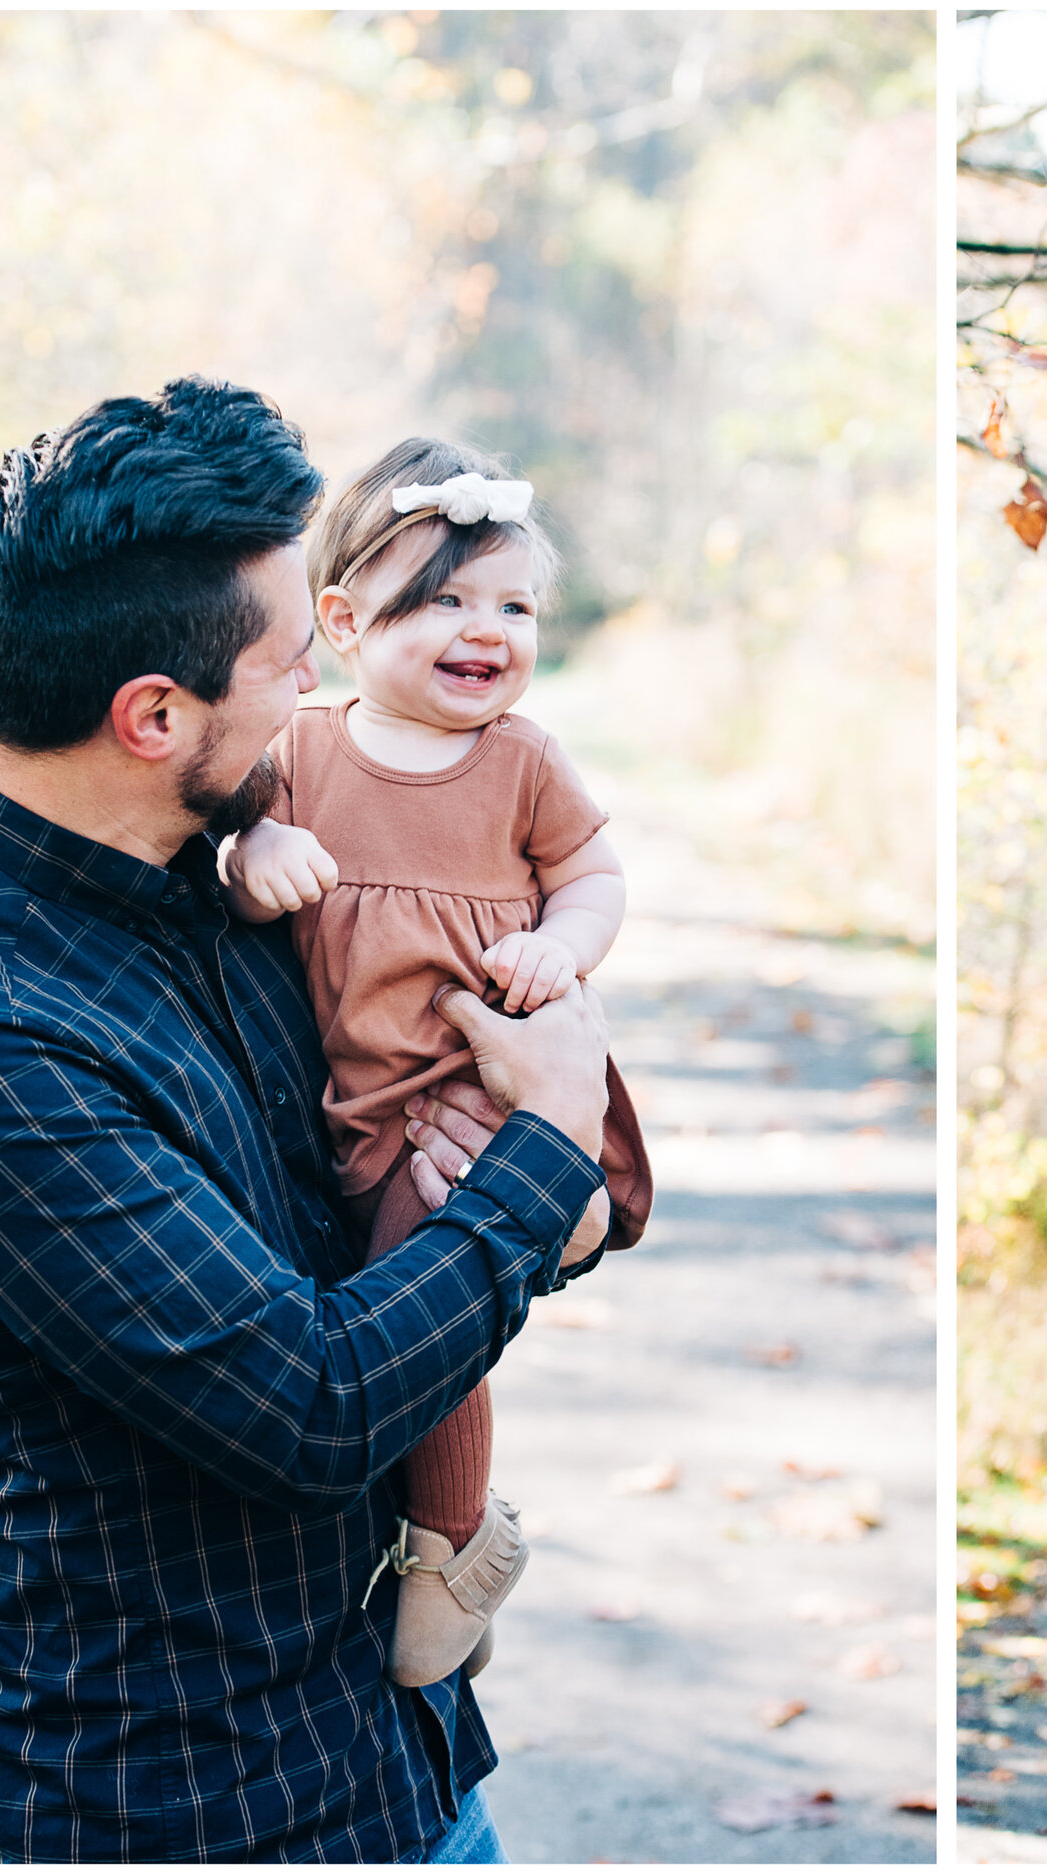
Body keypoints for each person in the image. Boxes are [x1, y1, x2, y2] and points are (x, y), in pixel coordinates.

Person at [0, 378, 605, 1862]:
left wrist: (526, 1197)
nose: (319, 691)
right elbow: (309, 1401)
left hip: (397, 1758)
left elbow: (378, 1209)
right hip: (192, 1804)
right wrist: (544, 1152)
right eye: (292, 662)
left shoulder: (233, 864)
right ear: (154, 715)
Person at [216, 436, 653, 1687]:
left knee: (419, 1302)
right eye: (446, 600)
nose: (487, 629)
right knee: (361, 1290)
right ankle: (432, 1523)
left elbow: (594, 875)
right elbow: (230, 862)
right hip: (350, 1101)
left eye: (512, 605)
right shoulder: (302, 749)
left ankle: (450, 1543)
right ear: (344, 619)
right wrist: (253, 867)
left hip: (469, 1084)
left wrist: (559, 948)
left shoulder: (522, 760)